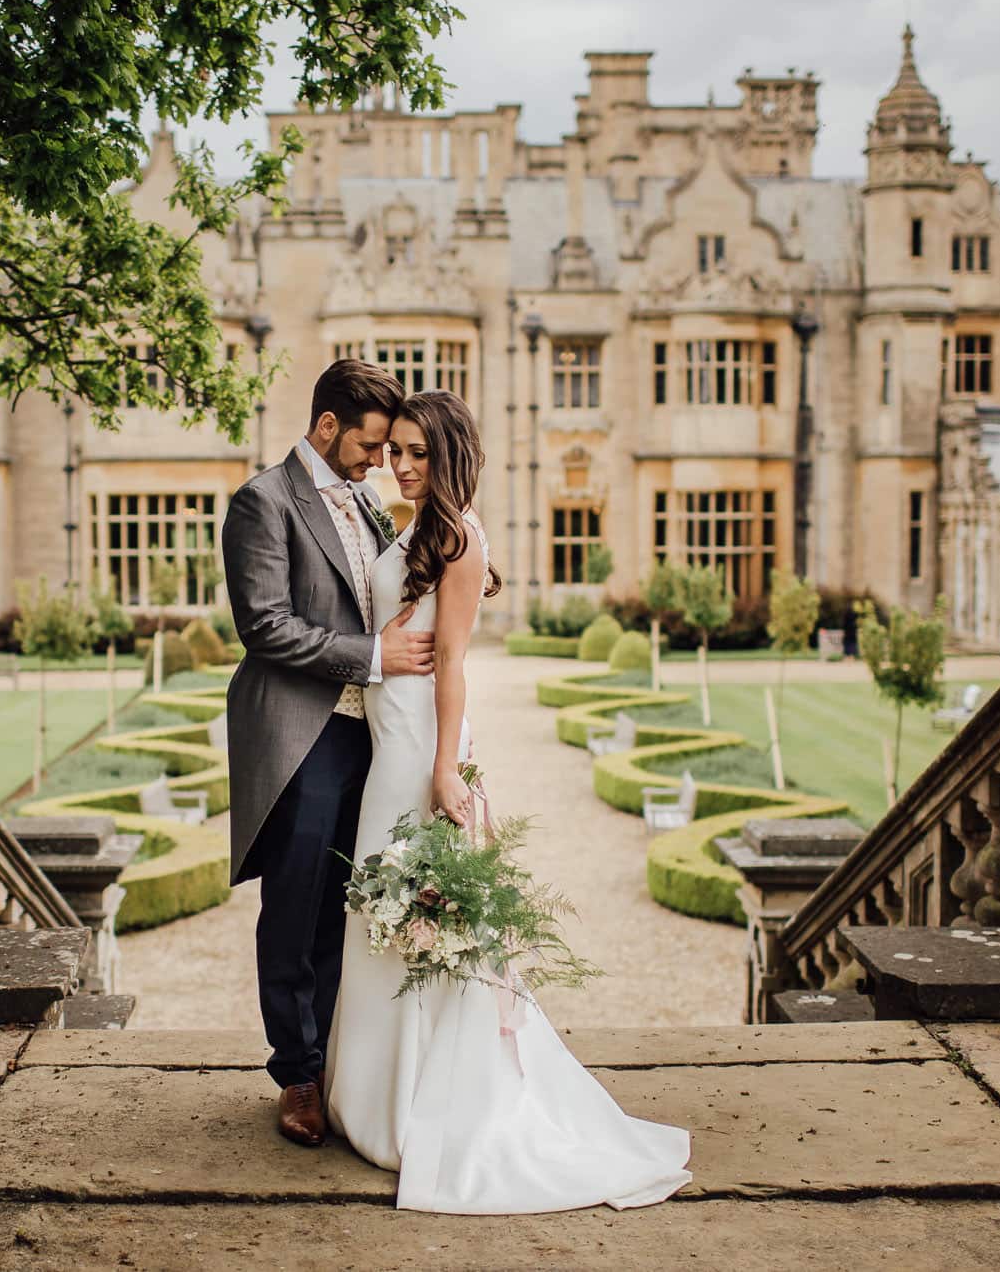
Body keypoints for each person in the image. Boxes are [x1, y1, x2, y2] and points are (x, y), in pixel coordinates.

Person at [323, 389, 692, 1214]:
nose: (403, 464)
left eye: (419, 452)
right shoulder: (413, 525)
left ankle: (417, 1102)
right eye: (399, 451)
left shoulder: (454, 535)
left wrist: (446, 769)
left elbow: (451, 662)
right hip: (390, 738)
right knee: (382, 913)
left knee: (413, 914)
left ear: (450, 454)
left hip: (419, 746)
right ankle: (375, 1094)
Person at [220, 359, 435, 1149]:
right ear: (325, 426)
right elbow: (265, 626)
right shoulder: (263, 501)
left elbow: (396, 577)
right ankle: (296, 1075)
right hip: (299, 733)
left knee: (347, 907)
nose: (379, 461)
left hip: (368, 739)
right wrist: (374, 657)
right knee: (293, 907)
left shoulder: (368, 503)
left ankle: (337, 1056)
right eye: (369, 444)